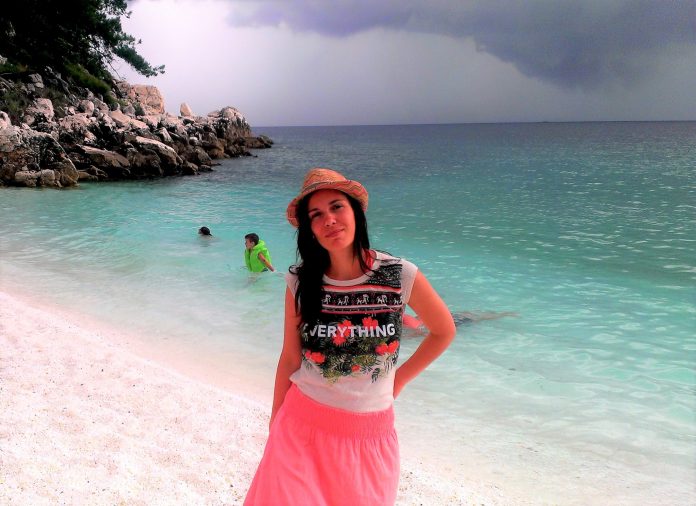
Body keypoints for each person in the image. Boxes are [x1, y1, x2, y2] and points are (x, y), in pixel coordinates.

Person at [244, 168, 456, 506]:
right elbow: (290, 358)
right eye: (316, 215)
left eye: (336, 207)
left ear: (355, 212)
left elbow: (443, 331)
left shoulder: (398, 274)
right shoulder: (300, 281)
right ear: (309, 228)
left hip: (369, 439)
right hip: (299, 428)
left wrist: (399, 380)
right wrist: (275, 421)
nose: (328, 219)